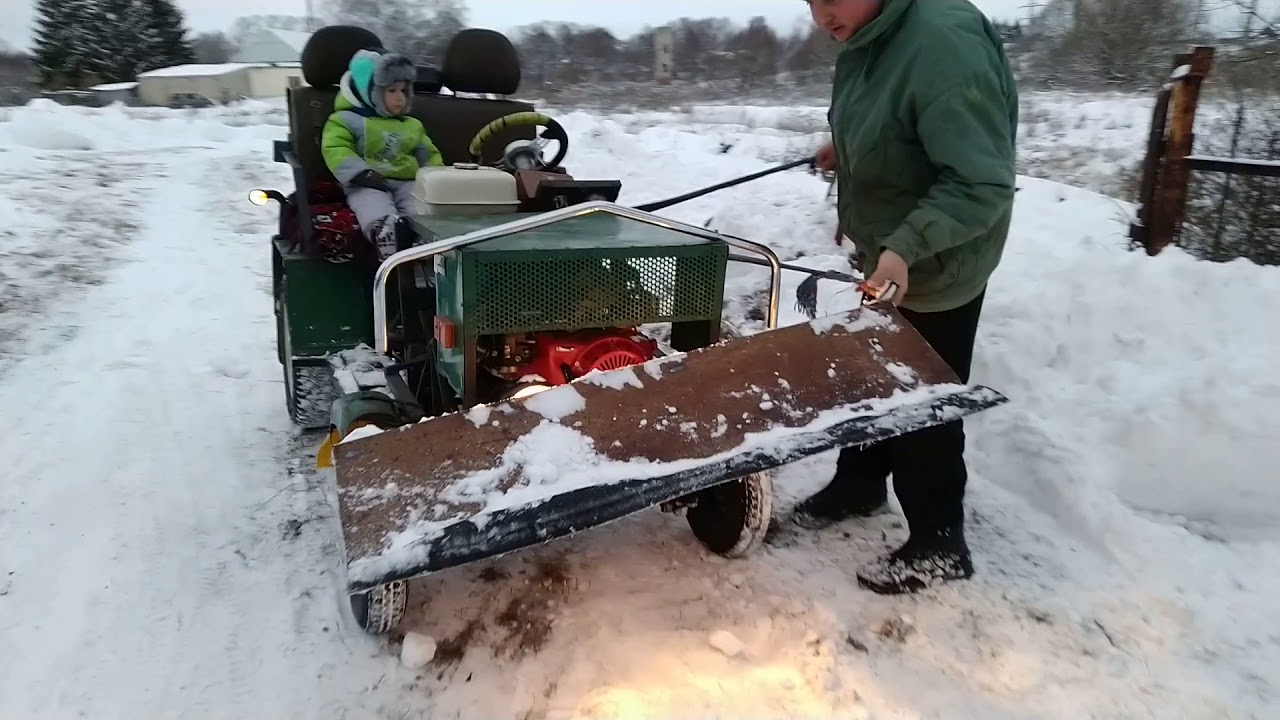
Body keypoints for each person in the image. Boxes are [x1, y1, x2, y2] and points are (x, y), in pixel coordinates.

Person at [794, 0, 1019, 595]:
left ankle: (940, 541)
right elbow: (903, 118)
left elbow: (980, 181)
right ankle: (862, 482)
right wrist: (850, 147)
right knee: (874, 374)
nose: (821, 16)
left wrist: (907, 247)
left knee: (922, 402)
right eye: (809, 0)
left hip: (937, 258)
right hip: (892, 253)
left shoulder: (944, 44)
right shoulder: (875, 32)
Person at [322, 49, 444, 260]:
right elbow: (335, 148)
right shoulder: (344, 120)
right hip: (368, 181)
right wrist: (360, 174)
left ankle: (421, 236)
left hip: (408, 182)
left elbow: (428, 154)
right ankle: (385, 234)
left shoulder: (412, 125)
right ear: (369, 92)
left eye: (404, 91)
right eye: (391, 91)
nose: (400, 98)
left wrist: (436, 179)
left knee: (420, 204)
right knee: (370, 202)